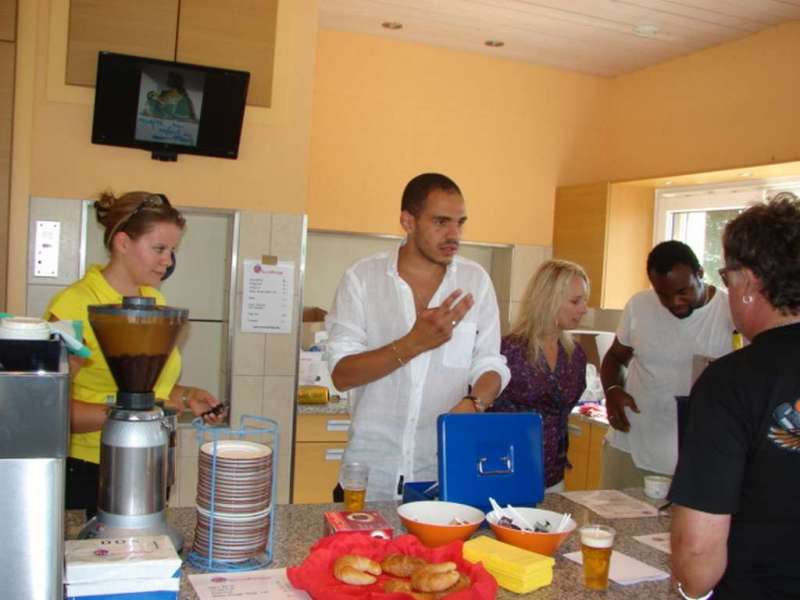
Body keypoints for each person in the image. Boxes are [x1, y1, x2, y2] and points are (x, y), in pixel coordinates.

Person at [325, 173, 511, 500]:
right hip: (368, 477)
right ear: (407, 221)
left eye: (460, 223)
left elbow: (490, 362)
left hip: (442, 475)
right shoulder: (363, 279)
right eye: (440, 222)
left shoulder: (475, 281)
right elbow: (342, 374)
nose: (454, 235)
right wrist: (414, 343)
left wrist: (476, 402)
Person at [44, 191, 223, 515]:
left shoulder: (154, 303)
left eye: (171, 250)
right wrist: (132, 414)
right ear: (123, 243)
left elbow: (145, 390)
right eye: (159, 249)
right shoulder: (72, 307)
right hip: (91, 469)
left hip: (151, 460)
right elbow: (51, 411)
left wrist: (186, 397)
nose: (168, 261)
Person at [669, 193, 800, 599]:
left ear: (749, 282)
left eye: (727, 279)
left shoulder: (730, 382)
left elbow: (698, 550)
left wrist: (690, 591)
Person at [600, 240, 734, 489]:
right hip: (630, 448)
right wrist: (612, 390)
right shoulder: (639, 305)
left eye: (683, 291)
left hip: (695, 457)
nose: (674, 302)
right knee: (610, 527)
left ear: (700, 275)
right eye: (663, 294)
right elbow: (615, 357)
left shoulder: (729, 313)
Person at [488, 260, 589, 492]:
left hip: (554, 475)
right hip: (505, 474)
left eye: (585, 300)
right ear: (549, 300)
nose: (584, 308)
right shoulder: (508, 351)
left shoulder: (575, 355)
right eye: (575, 301)